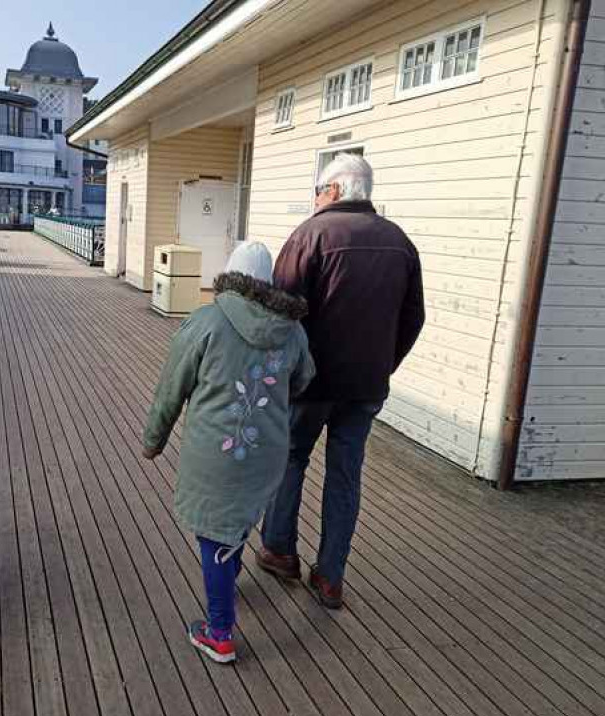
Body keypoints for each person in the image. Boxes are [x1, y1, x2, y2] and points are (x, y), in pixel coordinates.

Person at [256, 153, 425, 610]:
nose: (315, 198)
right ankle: (331, 577)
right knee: (346, 475)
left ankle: (279, 550)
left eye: (317, 190)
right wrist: (383, 366)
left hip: (310, 385)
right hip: (365, 387)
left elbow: (280, 313)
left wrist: (281, 374)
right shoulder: (400, 242)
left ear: (332, 190)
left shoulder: (311, 235)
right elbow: (414, 317)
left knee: (291, 458)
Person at [143, 241, 315, 664]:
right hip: (268, 451)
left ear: (230, 275)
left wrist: (154, 439)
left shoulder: (206, 320)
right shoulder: (292, 329)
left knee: (215, 532)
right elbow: (304, 378)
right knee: (236, 522)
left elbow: (172, 387)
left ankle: (219, 633)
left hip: (215, 453)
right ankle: (227, 575)